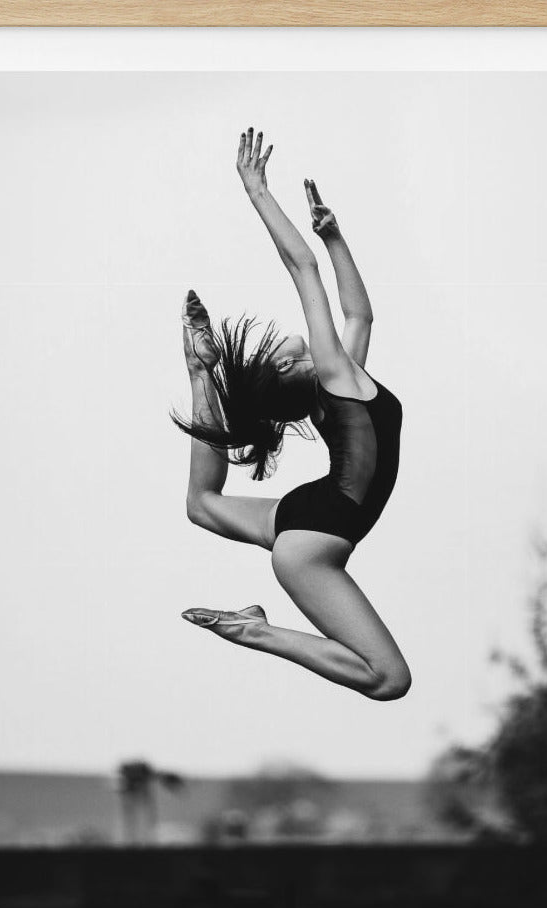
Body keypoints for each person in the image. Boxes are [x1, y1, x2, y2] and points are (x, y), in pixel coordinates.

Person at [172, 128, 411, 701]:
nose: (291, 339)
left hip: (313, 516)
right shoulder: (334, 376)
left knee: (202, 505)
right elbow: (301, 269)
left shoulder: (341, 382)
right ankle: (256, 631)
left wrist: (335, 239)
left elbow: (361, 316)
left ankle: (201, 371)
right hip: (313, 536)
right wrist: (256, 189)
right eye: (283, 351)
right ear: (292, 375)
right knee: (388, 679)